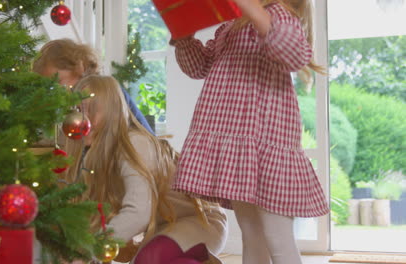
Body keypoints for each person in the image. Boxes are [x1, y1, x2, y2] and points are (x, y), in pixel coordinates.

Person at [170, 0, 330, 264]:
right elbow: (199, 67)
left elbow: (294, 53)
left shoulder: (279, 15)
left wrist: (249, 8)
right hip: (236, 146)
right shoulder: (231, 26)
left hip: (264, 143)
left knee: (277, 238)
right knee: (251, 233)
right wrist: (184, 37)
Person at [63, 74, 228, 264]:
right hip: (165, 228)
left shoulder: (135, 143)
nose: (83, 119)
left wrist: (92, 248)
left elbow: (139, 212)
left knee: (150, 259)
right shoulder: (91, 157)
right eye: (78, 110)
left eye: (92, 110)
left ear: (110, 112)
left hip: (200, 221)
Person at [32, 38, 155, 135]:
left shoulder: (105, 93)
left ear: (79, 67)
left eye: (58, 81)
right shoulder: (72, 103)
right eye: (49, 87)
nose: (56, 91)